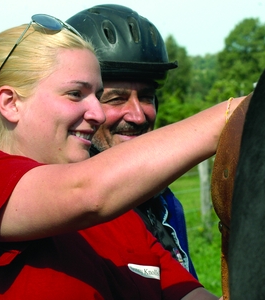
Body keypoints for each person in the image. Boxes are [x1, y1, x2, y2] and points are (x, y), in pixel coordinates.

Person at [0, 13, 242, 299]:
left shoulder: (122, 219)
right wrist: (238, 114)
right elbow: (87, 191)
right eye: (75, 94)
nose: (96, 113)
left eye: (97, 95)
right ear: (11, 103)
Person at [66, 4, 197, 277]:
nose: (138, 115)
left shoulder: (163, 201)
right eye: (116, 99)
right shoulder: (61, 215)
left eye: (147, 97)